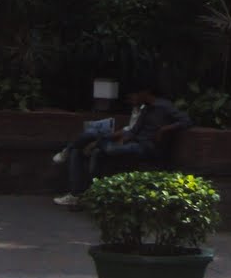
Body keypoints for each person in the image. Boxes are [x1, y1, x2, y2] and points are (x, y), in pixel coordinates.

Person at [53, 83, 190, 206]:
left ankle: (77, 148)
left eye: (135, 94)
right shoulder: (145, 110)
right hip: (135, 142)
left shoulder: (164, 106)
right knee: (95, 150)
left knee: (105, 147)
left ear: (145, 93)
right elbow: (134, 130)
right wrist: (124, 137)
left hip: (147, 147)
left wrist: (165, 129)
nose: (132, 98)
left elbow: (185, 121)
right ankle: (90, 193)